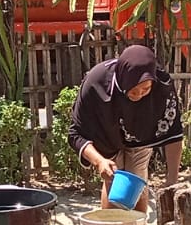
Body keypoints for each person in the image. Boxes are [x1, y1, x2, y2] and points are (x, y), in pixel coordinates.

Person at [68, 45, 183, 211]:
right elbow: (75, 134)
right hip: (105, 137)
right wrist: (100, 162)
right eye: (133, 90)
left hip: (141, 136)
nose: (139, 95)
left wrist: (172, 179)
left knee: (135, 180)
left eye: (145, 89)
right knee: (114, 183)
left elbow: (174, 133)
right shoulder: (96, 82)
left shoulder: (161, 85)